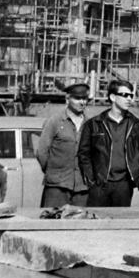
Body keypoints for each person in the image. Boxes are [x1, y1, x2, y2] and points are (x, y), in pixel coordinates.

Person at [76, 78, 139, 207]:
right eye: (125, 95)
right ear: (113, 97)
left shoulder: (137, 125)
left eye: (131, 95)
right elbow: (84, 154)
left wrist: (137, 177)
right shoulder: (93, 124)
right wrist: (91, 181)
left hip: (124, 185)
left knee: (120, 223)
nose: (129, 99)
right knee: (96, 222)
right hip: (99, 184)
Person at [35, 81, 90, 210]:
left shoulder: (91, 124)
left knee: (80, 225)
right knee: (52, 224)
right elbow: (42, 153)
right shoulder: (54, 122)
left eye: (84, 98)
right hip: (57, 187)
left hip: (82, 187)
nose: (82, 102)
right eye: (77, 98)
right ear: (67, 98)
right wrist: (53, 172)